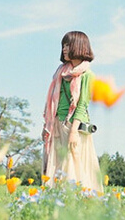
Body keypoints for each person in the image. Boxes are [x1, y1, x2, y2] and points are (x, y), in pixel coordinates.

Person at [42, 31, 103, 192]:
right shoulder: (61, 73)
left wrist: (74, 131)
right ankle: (56, 200)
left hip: (74, 126)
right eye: (63, 45)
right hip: (57, 124)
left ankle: (76, 199)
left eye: (68, 45)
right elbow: (55, 101)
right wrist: (47, 125)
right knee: (58, 164)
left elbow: (82, 105)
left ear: (79, 46)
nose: (64, 49)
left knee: (73, 163)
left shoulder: (88, 75)